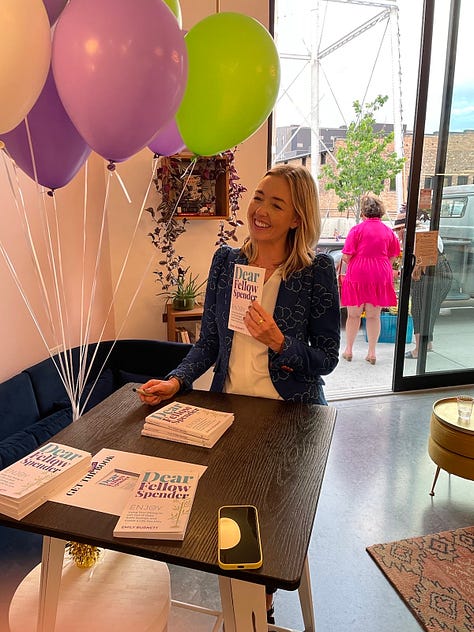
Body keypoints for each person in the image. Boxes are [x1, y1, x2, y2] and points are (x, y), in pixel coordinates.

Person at [136, 164, 341, 624]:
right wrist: (177, 380)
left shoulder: (316, 271)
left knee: (270, 527)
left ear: (297, 218)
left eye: (277, 204)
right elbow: (209, 343)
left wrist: (279, 343)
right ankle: (248, 600)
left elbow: (327, 358)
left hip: (291, 416)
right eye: (259, 197)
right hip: (230, 410)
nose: (261, 210)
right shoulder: (228, 262)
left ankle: (258, 606)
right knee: (232, 516)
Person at [339, 194, 400, 365]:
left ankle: (349, 350)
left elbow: (346, 256)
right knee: (374, 316)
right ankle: (372, 353)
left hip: (358, 273)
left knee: (353, 315)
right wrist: (381, 266)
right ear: (380, 212)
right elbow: (393, 255)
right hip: (380, 274)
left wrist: (355, 262)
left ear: (364, 213)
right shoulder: (388, 231)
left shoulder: (357, 230)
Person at [393, 207, 453, 359]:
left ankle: (419, 349)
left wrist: (412, 274)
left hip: (429, 273)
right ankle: (428, 343)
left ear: (403, 228)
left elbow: (422, 262)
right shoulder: (426, 230)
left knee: (419, 310)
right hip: (444, 272)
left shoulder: (417, 236)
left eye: (397, 230)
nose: (398, 235)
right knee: (431, 309)